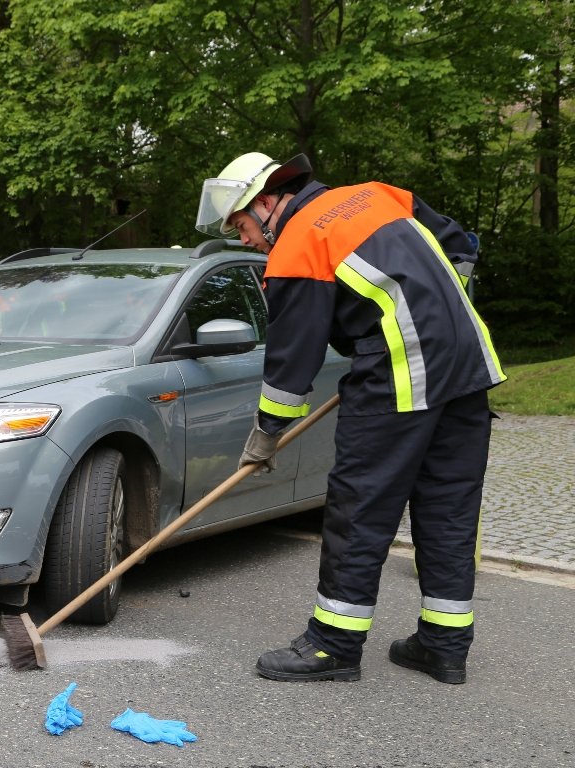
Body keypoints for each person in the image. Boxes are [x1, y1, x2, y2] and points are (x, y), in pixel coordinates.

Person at [196, 152, 504, 684]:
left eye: (243, 226)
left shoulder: (298, 246)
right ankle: (444, 645)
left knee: (359, 507)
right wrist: (435, 307)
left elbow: (292, 362)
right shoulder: (379, 194)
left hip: (400, 373)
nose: (245, 240)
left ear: (267, 202)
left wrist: (267, 433)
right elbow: (459, 244)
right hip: (470, 366)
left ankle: (332, 645)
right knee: (448, 507)